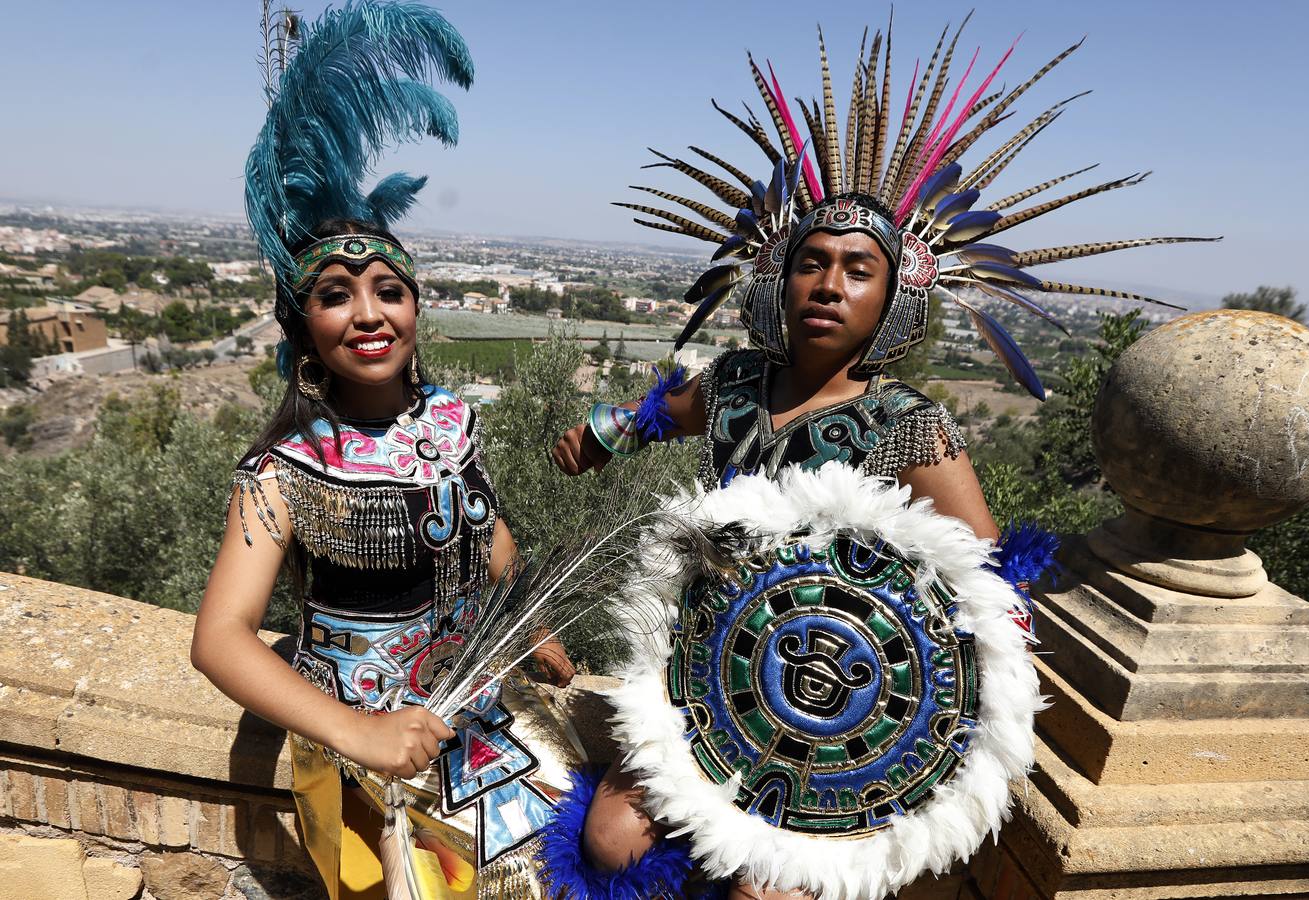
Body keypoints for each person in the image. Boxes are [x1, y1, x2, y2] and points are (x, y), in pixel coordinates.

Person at [545, 15, 1210, 900]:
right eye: (810, 263)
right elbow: (657, 412)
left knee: (763, 892)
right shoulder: (735, 380)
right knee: (611, 840)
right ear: (778, 281)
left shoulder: (905, 424)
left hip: (827, 687)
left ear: (891, 297)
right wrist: (598, 434)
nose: (828, 284)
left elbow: (984, 578)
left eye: (857, 269)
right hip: (703, 664)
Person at [192, 6, 579, 898]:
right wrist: (355, 732)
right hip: (365, 752)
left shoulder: (450, 419)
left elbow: (486, 532)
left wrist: (530, 625)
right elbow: (220, 640)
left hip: (474, 712)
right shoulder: (285, 470)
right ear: (305, 327)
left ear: (415, 307)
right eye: (335, 295)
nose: (367, 313)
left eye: (387, 289)